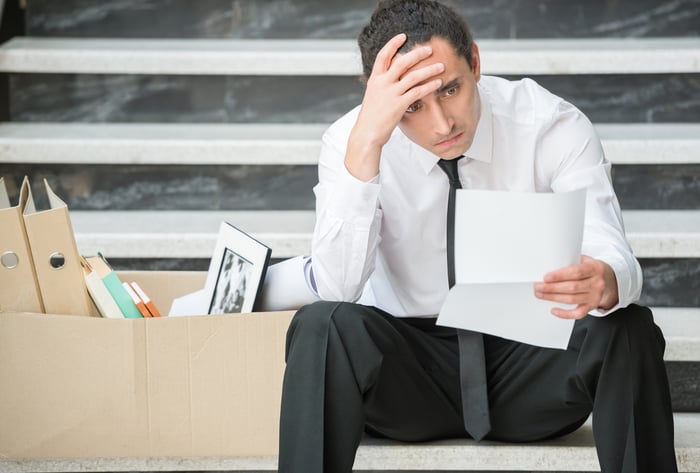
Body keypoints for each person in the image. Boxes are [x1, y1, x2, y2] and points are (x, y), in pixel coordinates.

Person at [278, 1, 678, 472]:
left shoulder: (549, 124)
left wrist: (606, 279)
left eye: (450, 89)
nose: (441, 124)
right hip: (410, 373)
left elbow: (611, 247)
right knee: (322, 327)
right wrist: (367, 143)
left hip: (530, 363)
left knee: (627, 328)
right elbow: (336, 287)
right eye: (412, 106)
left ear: (476, 63)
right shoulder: (350, 141)